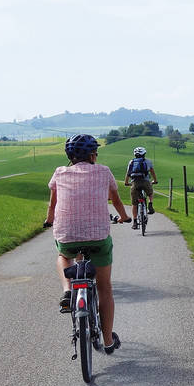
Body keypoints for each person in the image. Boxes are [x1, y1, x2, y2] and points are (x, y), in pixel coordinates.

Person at [44, 134, 129, 354]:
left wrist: (49, 220)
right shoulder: (103, 171)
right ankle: (108, 340)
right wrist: (125, 217)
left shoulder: (59, 173)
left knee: (64, 257)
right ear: (92, 154)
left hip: (67, 236)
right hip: (99, 237)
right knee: (104, 288)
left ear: (69, 156)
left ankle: (67, 290)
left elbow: (53, 204)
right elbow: (116, 200)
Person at [123, 146, 158, 228]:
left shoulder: (131, 162)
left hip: (135, 183)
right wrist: (155, 181)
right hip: (145, 182)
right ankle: (150, 204)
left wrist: (126, 182)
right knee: (150, 193)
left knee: (134, 204)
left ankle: (135, 222)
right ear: (144, 154)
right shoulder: (148, 162)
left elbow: (128, 173)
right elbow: (153, 173)